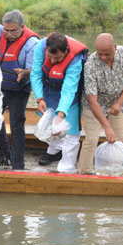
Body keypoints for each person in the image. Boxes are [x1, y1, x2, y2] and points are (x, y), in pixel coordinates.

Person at [77, 33, 123, 174]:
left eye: (107, 54)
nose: (103, 58)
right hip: (95, 105)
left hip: (118, 101)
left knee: (120, 139)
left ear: (115, 48)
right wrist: (107, 126)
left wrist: (119, 103)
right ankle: (83, 172)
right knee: (92, 139)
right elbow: (92, 100)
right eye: (100, 54)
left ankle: (117, 172)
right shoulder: (90, 64)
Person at [30, 32, 89, 173]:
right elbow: (36, 74)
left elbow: (69, 90)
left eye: (57, 58)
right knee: (49, 124)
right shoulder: (40, 47)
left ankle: (67, 167)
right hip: (49, 89)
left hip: (70, 92)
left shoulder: (75, 60)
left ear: (66, 51)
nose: (53, 61)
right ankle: (54, 151)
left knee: (71, 131)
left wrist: (60, 116)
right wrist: (39, 98)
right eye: (50, 57)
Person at [0, 10, 40, 169]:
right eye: (7, 30)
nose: (9, 34)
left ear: (22, 27)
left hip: (19, 89)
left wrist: (25, 73)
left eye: (13, 31)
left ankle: (18, 165)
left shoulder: (32, 43)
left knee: (16, 124)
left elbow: (35, 70)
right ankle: (3, 155)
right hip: (0, 87)